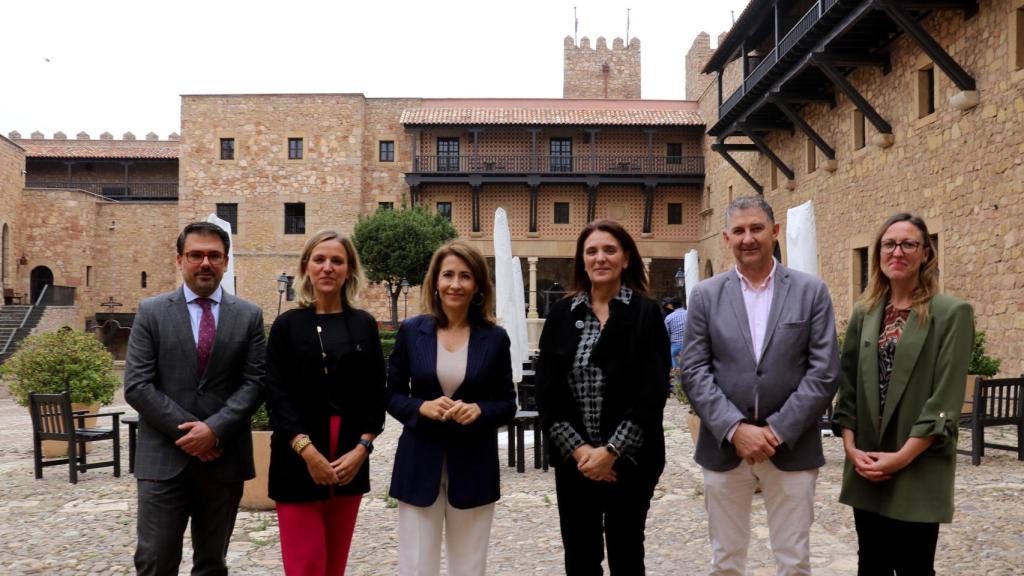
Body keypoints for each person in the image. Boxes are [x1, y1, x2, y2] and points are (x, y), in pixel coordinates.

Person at [681, 196, 840, 575]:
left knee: (793, 560)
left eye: (756, 228)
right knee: (726, 560)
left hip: (792, 447)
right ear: (726, 237)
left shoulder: (810, 292)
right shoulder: (705, 296)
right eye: (738, 231)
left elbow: (824, 371)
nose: (747, 238)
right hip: (724, 448)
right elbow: (694, 371)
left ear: (775, 231)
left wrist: (776, 430)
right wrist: (735, 430)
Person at [832, 213, 973, 575]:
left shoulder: (950, 313)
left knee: (914, 567)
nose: (898, 251)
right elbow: (847, 389)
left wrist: (901, 457)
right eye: (889, 244)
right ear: (879, 252)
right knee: (872, 565)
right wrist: (851, 449)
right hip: (867, 459)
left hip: (918, 461)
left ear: (926, 253)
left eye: (908, 244)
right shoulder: (864, 313)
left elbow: (945, 397)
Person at [124, 221, 265, 576]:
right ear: (179, 260)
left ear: (226, 261)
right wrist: (190, 434)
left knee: (212, 564)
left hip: (224, 460)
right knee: (155, 560)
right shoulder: (151, 312)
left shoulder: (248, 316)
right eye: (196, 255)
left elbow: (256, 382)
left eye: (214, 256)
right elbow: (137, 384)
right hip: (163, 459)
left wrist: (214, 430)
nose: (205, 262)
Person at [536, 219, 670, 575]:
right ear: (581, 260)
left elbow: (652, 392)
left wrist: (611, 453)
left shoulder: (646, 313)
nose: (600, 258)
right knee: (580, 557)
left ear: (626, 258)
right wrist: (583, 453)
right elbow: (548, 394)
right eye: (591, 251)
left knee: (627, 553)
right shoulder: (562, 316)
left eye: (609, 250)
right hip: (574, 462)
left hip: (631, 461)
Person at [386, 240, 517, 576]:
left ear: (477, 286)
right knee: (415, 567)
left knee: (469, 567)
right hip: (418, 463)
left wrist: (480, 411)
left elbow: (506, 404)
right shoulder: (412, 331)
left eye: (465, 276)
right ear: (435, 281)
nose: (455, 284)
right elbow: (392, 394)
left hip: (474, 464)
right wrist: (421, 408)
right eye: (448, 275)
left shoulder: (496, 338)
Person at [264, 230, 386, 575]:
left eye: (337, 260)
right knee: (306, 564)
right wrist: (308, 451)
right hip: (297, 455)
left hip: (350, 456)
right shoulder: (287, 326)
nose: (328, 267)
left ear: (349, 269)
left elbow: (376, 392)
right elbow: (276, 393)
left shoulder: (364, 324)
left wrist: (362, 449)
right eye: (319, 259)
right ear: (306, 267)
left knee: (335, 564)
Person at [664, 297, 687, 369]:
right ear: (682, 304)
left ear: (672, 306)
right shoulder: (690, 314)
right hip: (689, 345)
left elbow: (666, 334)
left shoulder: (669, 318)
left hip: (675, 346)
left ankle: (678, 379)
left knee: (676, 370)